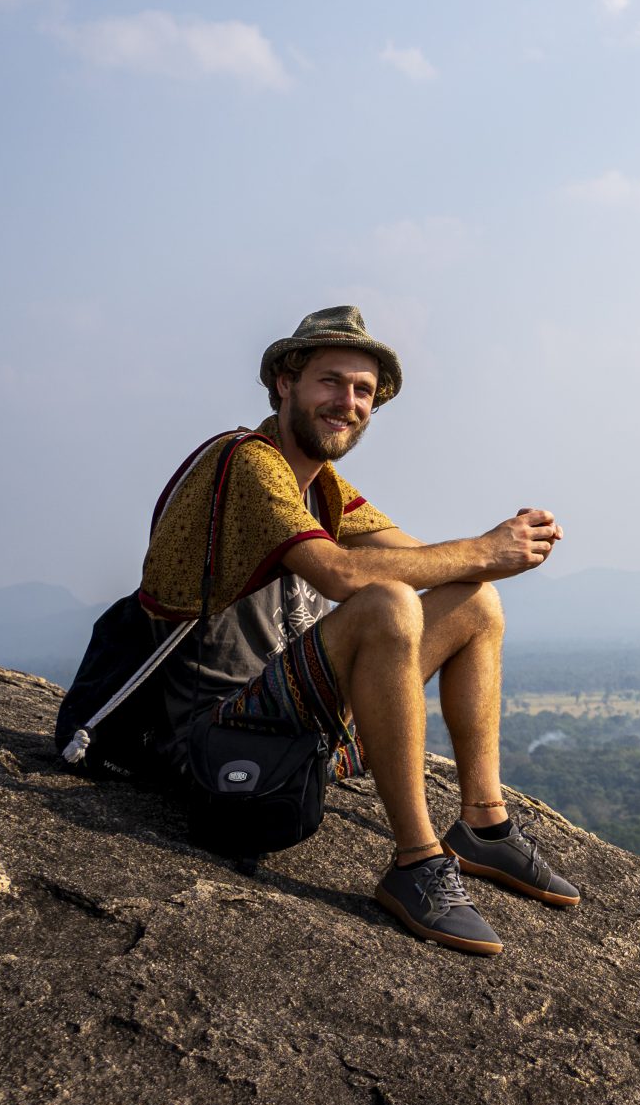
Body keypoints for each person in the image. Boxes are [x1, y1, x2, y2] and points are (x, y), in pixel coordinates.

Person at [137, 305, 577, 955]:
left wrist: (512, 545)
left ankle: (483, 826)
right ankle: (417, 861)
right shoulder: (248, 462)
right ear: (285, 382)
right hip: (217, 741)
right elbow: (342, 574)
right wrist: (486, 548)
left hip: (294, 732)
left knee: (475, 603)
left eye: (363, 390)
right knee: (387, 603)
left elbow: (429, 560)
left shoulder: (324, 488)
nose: (348, 402)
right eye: (331, 381)